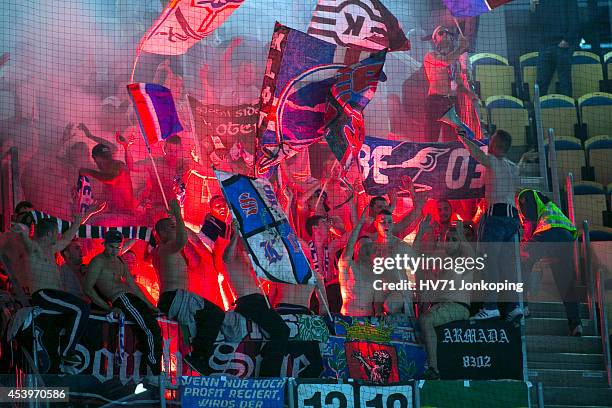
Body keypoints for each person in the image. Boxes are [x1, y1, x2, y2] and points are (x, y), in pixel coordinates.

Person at [10, 206, 99, 369]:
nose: (58, 236)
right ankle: (67, 352)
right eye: (56, 233)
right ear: (50, 234)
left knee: (81, 309)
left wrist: (82, 218)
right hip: (44, 295)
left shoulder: (50, 250)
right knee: (81, 309)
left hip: (53, 295)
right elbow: (29, 244)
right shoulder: (36, 248)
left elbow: (68, 237)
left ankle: (63, 351)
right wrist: (23, 231)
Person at [152, 199, 226, 375]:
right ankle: (199, 357)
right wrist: (178, 214)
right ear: (162, 232)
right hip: (175, 297)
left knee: (198, 326)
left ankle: (194, 359)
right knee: (216, 314)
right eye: (171, 227)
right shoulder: (165, 248)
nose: (176, 229)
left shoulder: (166, 252)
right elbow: (182, 240)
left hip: (174, 300)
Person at [457, 129, 522, 321]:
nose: (488, 143)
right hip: (513, 220)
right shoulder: (513, 167)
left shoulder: (493, 161)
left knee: (489, 265)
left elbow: (476, 153)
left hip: (496, 217)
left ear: (495, 144)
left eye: (491, 140)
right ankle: (513, 307)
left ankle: (491, 307)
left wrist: (461, 136)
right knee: (506, 266)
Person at [84, 230, 162, 380]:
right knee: (150, 330)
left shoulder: (120, 262)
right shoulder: (97, 261)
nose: (114, 251)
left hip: (131, 298)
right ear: (104, 245)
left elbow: (133, 286)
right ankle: (153, 373)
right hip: (121, 298)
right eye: (111, 247)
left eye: (117, 248)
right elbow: (88, 288)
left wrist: (150, 305)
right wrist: (108, 308)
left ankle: (150, 372)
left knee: (150, 330)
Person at [222, 220, 290, 377]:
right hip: (249, 302)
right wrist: (236, 233)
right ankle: (269, 375)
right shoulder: (231, 258)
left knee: (279, 332)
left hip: (258, 300)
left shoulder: (245, 260)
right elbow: (226, 257)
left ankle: (266, 363)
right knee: (282, 331)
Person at [516, 189, 582, 336]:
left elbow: (531, 219)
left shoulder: (524, 195)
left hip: (547, 232)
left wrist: (524, 243)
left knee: (523, 263)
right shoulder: (547, 202)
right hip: (565, 237)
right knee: (565, 281)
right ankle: (575, 324)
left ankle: (523, 306)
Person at [417, 219, 475, 380]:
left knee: (425, 320)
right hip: (441, 306)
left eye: (454, 240)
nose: (450, 243)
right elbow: (415, 255)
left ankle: (433, 369)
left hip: (457, 307)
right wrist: (421, 231)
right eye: (447, 239)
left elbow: (469, 252)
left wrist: (461, 234)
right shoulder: (441, 261)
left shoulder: (466, 260)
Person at [424, 26, 470, 142]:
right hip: (435, 101)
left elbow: (459, 82)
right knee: (430, 140)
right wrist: (461, 48)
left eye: (448, 32)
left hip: (451, 102)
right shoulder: (430, 56)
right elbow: (445, 61)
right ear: (435, 39)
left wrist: (470, 94)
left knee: (451, 140)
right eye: (441, 33)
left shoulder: (456, 61)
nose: (445, 34)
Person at [531, 0, 579, 97]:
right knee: (541, 83)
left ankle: (568, 111)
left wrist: (567, 39)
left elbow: (574, 19)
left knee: (564, 83)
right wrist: (533, 8)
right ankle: (537, 111)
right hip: (545, 46)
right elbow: (534, 24)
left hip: (562, 46)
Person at [338, 209, 377, 317]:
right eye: (364, 246)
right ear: (356, 250)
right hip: (348, 318)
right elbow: (349, 248)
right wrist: (359, 224)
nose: (368, 249)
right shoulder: (348, 266)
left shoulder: (376, 271)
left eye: (370, 246)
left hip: (369, 322)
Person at [79, 143, 136, 216]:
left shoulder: (118, 165)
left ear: (97, 158)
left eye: (95, 160)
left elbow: (111, 179)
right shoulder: (108, 169)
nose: (95, 163)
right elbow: (107, 195)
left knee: (94, 222)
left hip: (124, 214)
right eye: (107, 157)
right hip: (115, 212)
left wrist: (89, 172)